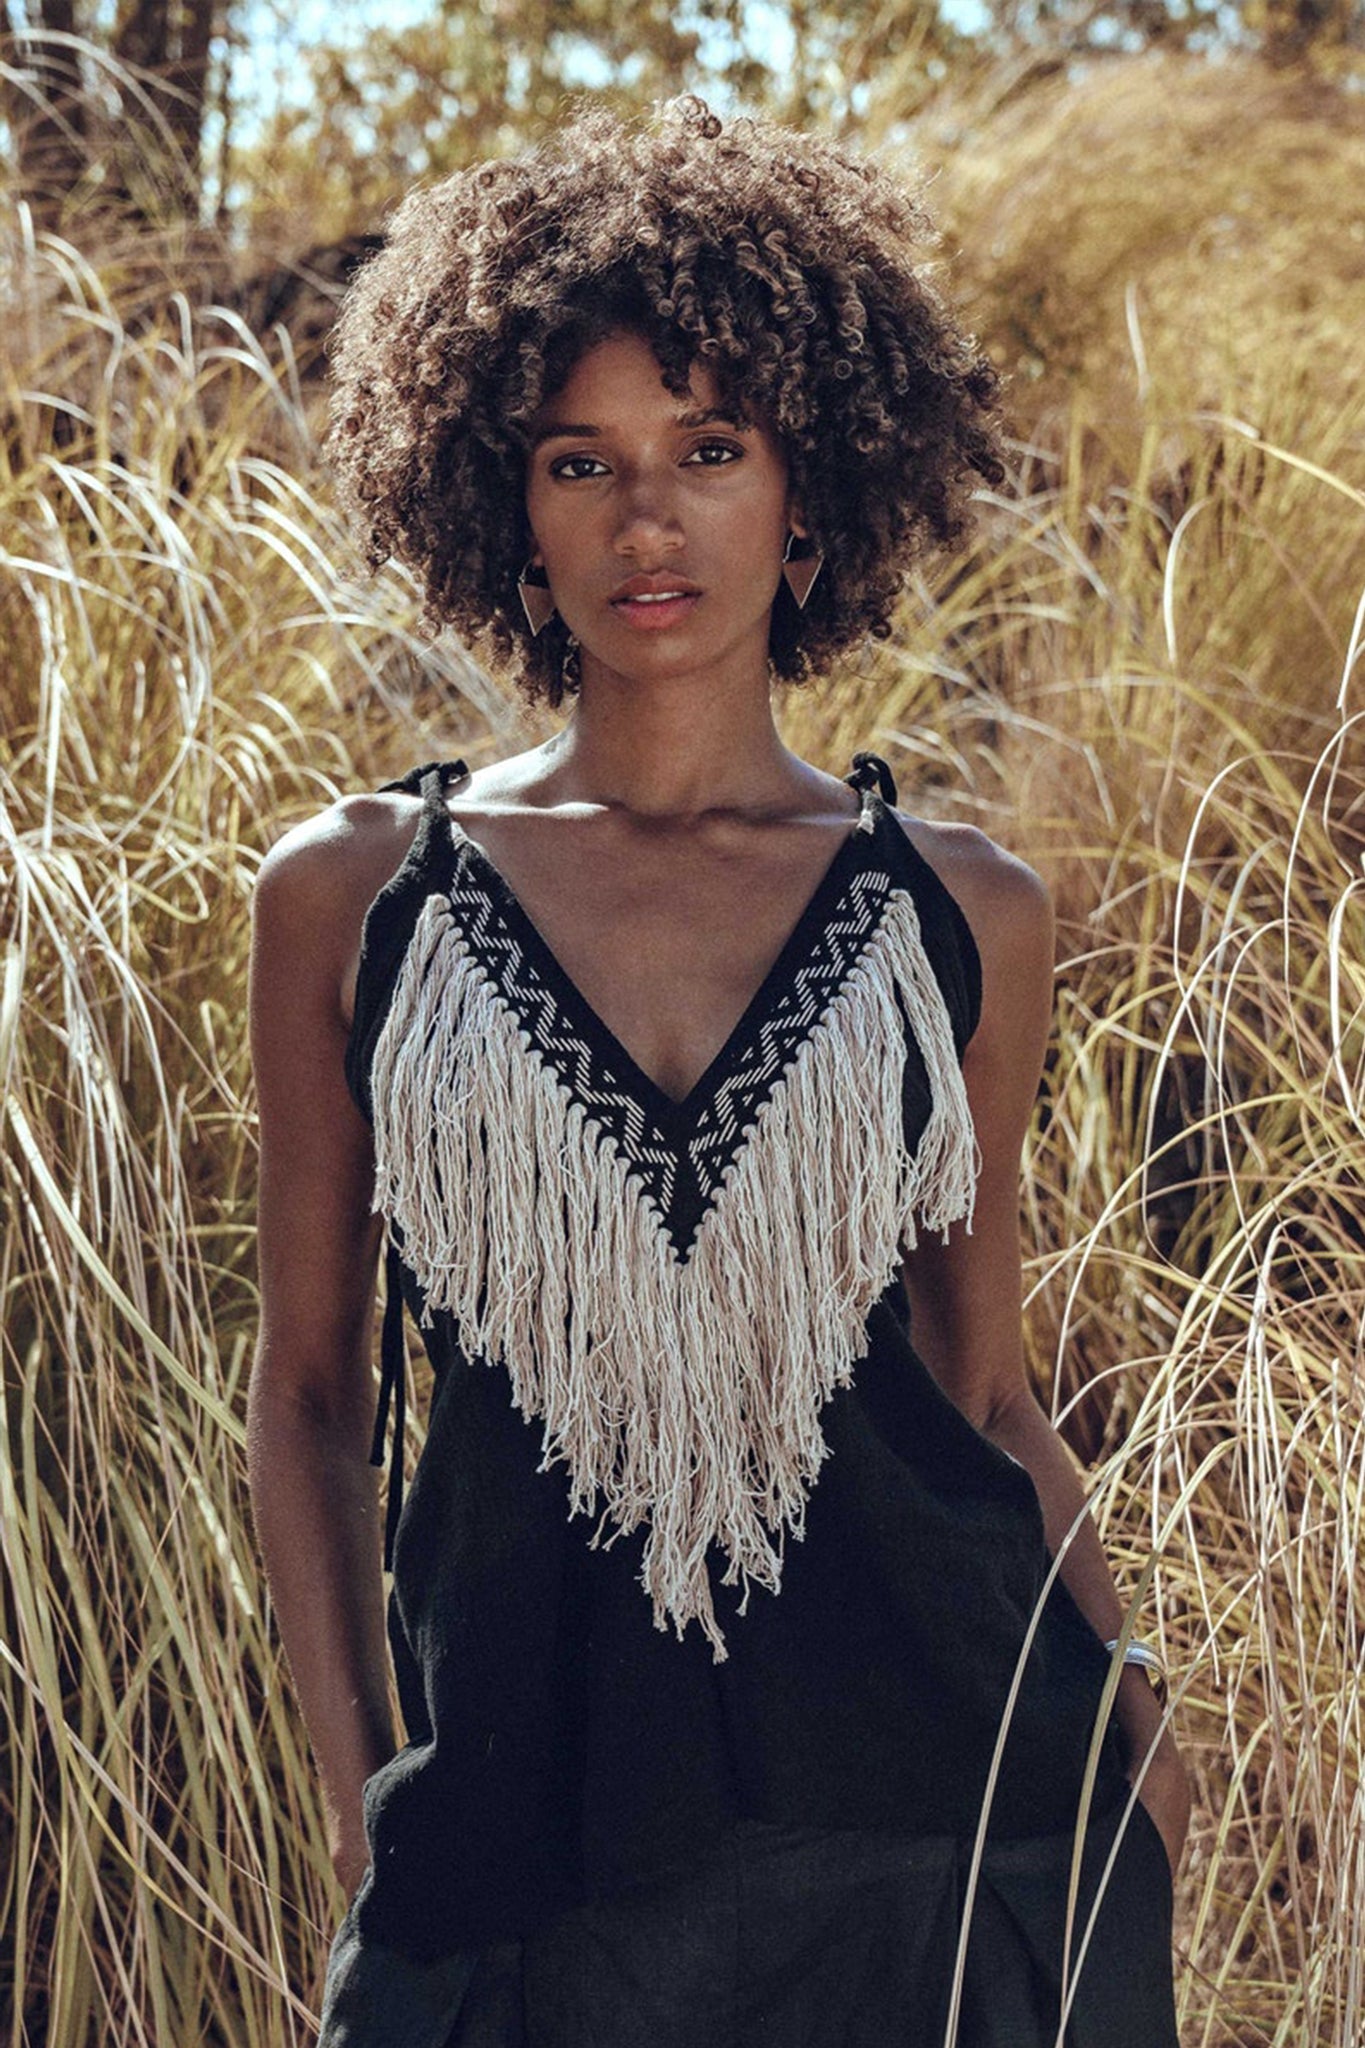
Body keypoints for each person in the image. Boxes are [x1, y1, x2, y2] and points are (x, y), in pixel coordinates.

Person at [247, 97, 1190, 2048]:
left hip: (946, 1842)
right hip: (521, 1857)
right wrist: (366, 1808)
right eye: (577, 461)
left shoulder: (962, 911)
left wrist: (1141, 1732)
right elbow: (313, 1397)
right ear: (494, 499)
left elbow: (981, 1385)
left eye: (708, 451)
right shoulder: (357, 896)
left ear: (812, 489)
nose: (645, 520)